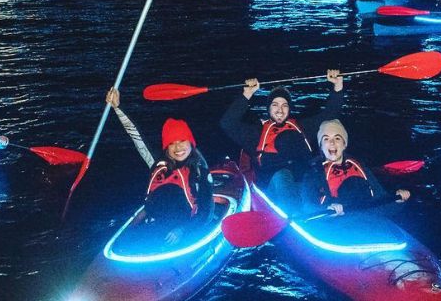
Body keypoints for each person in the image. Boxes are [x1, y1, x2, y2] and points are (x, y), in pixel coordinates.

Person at [220, 70, 344, 210]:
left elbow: (330, 113)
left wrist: (337, 86)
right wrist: (247, 94)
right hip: (274, 190)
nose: (280, 110)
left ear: (289, 109)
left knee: (312, 176)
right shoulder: (256, 133)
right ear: (268, 109)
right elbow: (227, 123)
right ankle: (294, 215)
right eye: (275, 105)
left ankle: (317, 211)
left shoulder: (302, 127)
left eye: (284, 105)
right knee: (283, 176)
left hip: (302, 185)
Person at [105, 88, 214, 245]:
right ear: (166, 148)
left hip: (186, 226)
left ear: (191, 142)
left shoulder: (199, 170)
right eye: (172, 143)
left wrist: (182, 230)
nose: (178, 148)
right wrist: (117, 108)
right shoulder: (158, 164)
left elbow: (206, 211)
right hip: (156, 222)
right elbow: (137, 137)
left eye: (182, 141)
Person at [302, 119, 410, 216]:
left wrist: (396, 200)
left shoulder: (360, 168)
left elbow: (381, 202)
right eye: (326, 139)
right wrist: (326, 209)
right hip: (333, 225)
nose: (332, 143)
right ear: (321, 146)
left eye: (337, 138)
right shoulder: (313, 174)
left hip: (365, 221)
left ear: (344, 144)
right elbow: (308, 207)